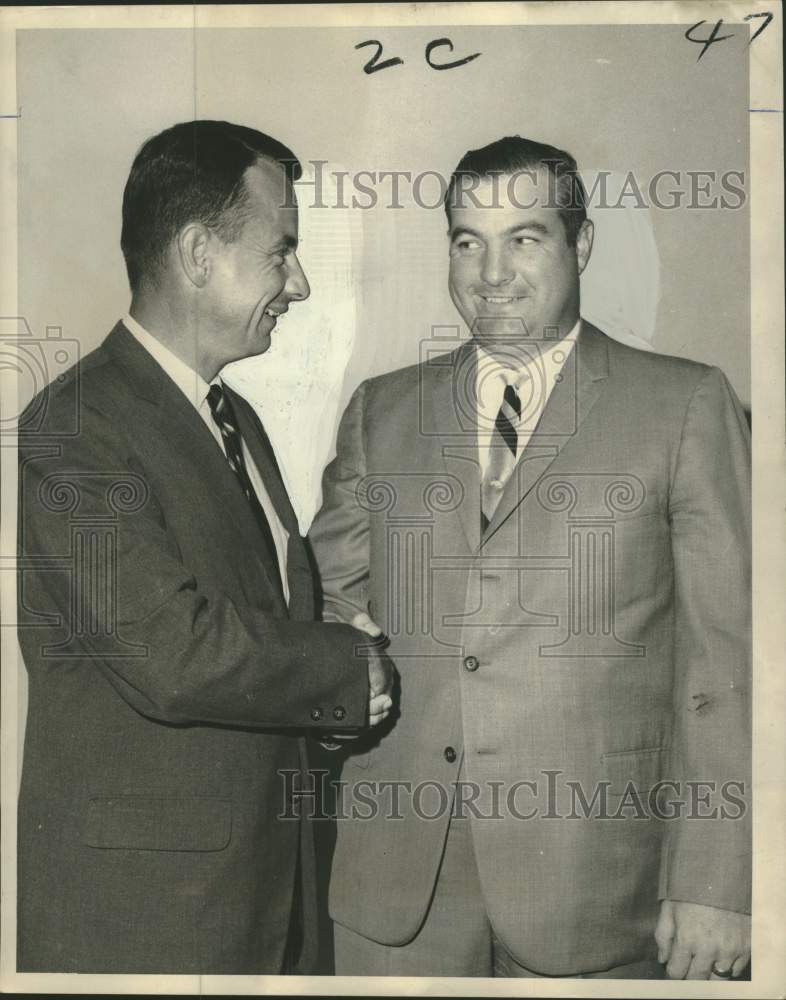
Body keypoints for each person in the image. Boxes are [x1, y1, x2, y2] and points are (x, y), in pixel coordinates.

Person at [309, 135, 751, 979]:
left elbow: (729, 661)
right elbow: (324, 603)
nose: (491, 271)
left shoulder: (686, 405)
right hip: (394, 893)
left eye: (525, 237)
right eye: (468, 240)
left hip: (599, 891)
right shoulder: (383, 410)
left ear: (580, 245)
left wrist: (720, 881)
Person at [15, 119, 392, 974]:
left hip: (266, 900)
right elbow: (173, 651)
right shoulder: (76, 426)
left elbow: (261, 619)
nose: (297, 283)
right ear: (195, 252)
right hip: (150, 925)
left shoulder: (232, 417)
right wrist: (344, 672)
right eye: (281, 251)